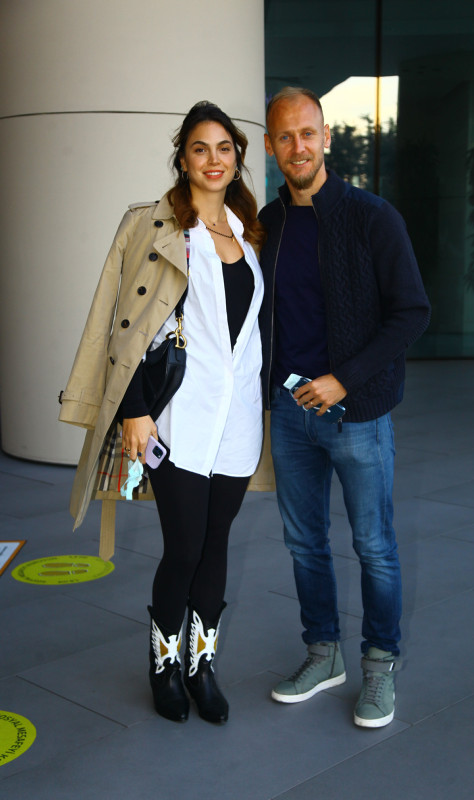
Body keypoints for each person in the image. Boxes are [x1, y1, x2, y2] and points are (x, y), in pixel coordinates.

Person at [59, 101, 265, 725]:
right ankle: (163, 666)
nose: (213, 160)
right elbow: (120, 323)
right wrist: (133, 409)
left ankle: (202, 667)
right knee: (184, 547)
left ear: (237, 159)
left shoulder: (250, 230)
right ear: (182, 158)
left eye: (224, 148)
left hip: (238, 416)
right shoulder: (151, 225)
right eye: (200, 148)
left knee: (216, 542)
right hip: (176, 415)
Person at [259, 87, 431, 728]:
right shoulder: (268, 225)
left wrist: (344, 380)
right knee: (304, 544)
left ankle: (380, 666)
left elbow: (411, 312)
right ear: (271, 146)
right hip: (290, 414)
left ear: (326, 137)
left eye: (307, 133)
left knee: (374, 546)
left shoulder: (372, 216)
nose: (297, 146)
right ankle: (322, 654)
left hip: (357, 415)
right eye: (284, 136)